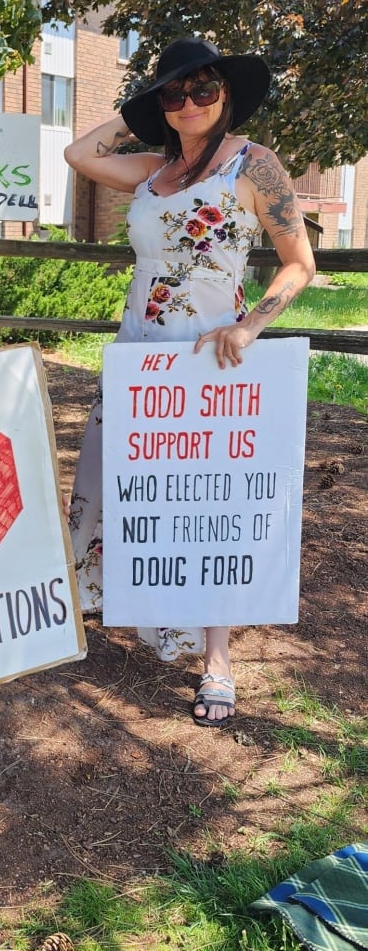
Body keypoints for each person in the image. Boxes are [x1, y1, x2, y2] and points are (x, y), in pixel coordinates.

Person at [64, 37, 316, 727]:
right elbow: (79, 155)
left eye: (203, 89)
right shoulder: (153, 172)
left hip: (212, 357)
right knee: (125, 479)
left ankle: (216, 661)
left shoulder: (254, 164)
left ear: (226, 94)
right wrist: (140, 110)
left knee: (210, 503)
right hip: (139, 355)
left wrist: (250, 326)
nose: (189, 104)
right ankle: (130, 603)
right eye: (173, 95)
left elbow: (300, 262)